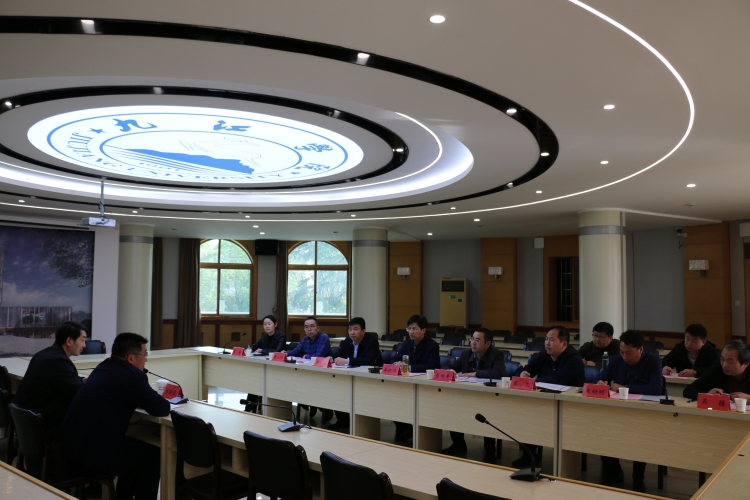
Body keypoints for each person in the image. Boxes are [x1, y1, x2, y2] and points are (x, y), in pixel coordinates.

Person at [60, 333, 170, 500]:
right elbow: (162, 408)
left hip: (70, 448)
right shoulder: (133, 376)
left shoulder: (103, 367)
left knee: (135, 450)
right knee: (152, 453)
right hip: (92, 456)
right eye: (144, 354)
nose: (146, 359)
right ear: (131, 358)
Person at [13, 321, 87, 482]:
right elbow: (80, 394)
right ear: (69, 341)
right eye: (82, 340)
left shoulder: (45, 354)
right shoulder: (58, 361)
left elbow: (65, 381)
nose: (84, 345)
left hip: (32, 432)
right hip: (49, 433)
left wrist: (81, 380)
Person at [597, 330, 662, 492]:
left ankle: (638, 478)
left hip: (642, 413)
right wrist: (600, 383)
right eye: (622, 352)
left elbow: (656, 388)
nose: (624, 356)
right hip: (616, 411)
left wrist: (625, 388)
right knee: (602, 432)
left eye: (628, 353)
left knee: (639, 441)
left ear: (641, 349)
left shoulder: (653, 361)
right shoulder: (615, 360)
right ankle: (614, 474)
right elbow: (602, 378)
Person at [515, 326, 584, 468]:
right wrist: (524, 374)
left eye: (552, 340)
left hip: (569, 405)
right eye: (546, 339)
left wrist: (535, 381)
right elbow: (528, 368)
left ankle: (564, 463)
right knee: (528, 415)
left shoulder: (574, 358)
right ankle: (529, 456)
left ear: (564, 344)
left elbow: (560, 379)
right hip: (543, 400)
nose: (547, 343)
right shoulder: (543, 355)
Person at [441, 328, 505, 463]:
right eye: (472, 339)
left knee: (487, 413)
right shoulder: (466, 353)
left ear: (488, 343)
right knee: (454, 409)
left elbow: (498, 373)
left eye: (477, 340)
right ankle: (458, 444)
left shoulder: (496, 354)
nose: (473, 343)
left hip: (488, 397)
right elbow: (451, 366)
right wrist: (451, 370)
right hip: (467, 395)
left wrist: (476, 374)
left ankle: (490, 450)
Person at [392, 314, 440, 442]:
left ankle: (412, 430)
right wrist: (396, 363)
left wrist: (409, 367)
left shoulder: (432, 345)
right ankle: (407, 429)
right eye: (409, 329)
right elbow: (395, 358)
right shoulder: (407, 343)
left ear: (423, 330)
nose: (411, 332)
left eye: (414, 329)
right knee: (393, 403)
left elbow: (433, 366)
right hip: (406, 383)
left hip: (425, 384)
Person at [328, 317, 381, 431]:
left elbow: (369, 360)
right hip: (351, 376)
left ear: (363, 331)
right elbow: (339, 353)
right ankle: (343, 421)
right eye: (350, 329)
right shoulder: (348, 341)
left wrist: (347, 361)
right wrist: (331, 358)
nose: (352, 332)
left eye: (355, 329)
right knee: (337, 389)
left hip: (370, 379)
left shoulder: (372, 342)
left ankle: (363, 425)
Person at [283, 317, 333, 422]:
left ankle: (320, 406)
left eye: (312, 326)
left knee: (306, 385)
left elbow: (318, 356)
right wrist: (285, 353)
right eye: (306, 327)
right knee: (295, 384)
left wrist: (306, 356)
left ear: (318, 328)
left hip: (322, 375)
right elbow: (296, 352)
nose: (309, 329)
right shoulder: (305, 339)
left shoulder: (323, 338)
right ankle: (311, 404)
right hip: (307, 372)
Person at [683, 340, 750, 401]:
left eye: (730, 362)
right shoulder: (717, 370)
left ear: (745, 364)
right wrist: (707, 394)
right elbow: (689, 390)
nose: (724, 365)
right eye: (722, 359)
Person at [244, 315, 286, 412]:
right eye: (265, 324)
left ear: (275, 324)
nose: (267, 326)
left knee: (258, 380)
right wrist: (250, 349)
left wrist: (262, 350)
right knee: (255, 381)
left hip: (276, 369)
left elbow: (277, 351)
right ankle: (250, 408)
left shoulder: (281, 337)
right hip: (265, 366)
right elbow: (256, 345)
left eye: (269, 324)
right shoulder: (264, 336)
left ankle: (250, 408)